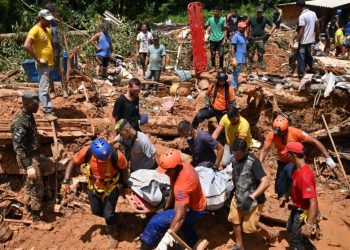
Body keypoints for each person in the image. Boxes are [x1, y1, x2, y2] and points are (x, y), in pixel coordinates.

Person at [61, 138, 128, 248]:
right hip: (93, 186)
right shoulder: (87, 151)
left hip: (111, 186)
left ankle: (114, 234)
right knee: (96, 211)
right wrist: (66, 181)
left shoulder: (117, 155)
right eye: (102, 159)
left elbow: (124, 169)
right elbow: (72, 162)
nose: (105, 160)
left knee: (108, 213)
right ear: (94, 154)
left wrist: (125, 185)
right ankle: (114, 219)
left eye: (107, 158)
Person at [140, 149, 207, 250]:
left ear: (175, 167)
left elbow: (180, 216)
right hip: (198, 203)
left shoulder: (183, 185)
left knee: (155, 222)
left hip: (194, 210)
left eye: (167, 171)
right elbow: (173, 189)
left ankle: (145, 247)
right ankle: (193, 241)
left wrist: (166, 240)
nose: (165, 173)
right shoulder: (182, 166)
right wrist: (167, 207)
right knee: (184, 224)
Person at [259, 115, 336, 199]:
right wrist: (259, 165)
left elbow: (315, 141)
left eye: (281, 133)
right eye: (277, 132)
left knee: (289, 173)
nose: (279, 135)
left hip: (293, 160)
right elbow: (264, 150)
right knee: (280, 178)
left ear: (286, 130)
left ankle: (290, 195)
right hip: (282, 159)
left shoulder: (296, 132)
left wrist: (328, 157)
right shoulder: (272, 134)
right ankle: (279, 195)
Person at [11, 90, 54, 231]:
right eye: (36, 104)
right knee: (37, 187)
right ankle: (36, 219)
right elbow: (18, 147)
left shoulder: (29, 115)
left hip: (34, 154)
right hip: (27, 158)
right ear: (28, 103)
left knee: (48, 169)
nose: (38, 107)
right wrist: (29, 166)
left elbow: (28, 133)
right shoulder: (20, 122)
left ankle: (29, 205)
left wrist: (37, 132)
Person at [228, 139, 271, 250]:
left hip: (254, 200)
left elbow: (266, 182)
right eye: (234, 154)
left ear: (245, 151)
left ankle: (269, 234)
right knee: (235, 220)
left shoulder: (253, 162)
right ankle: (239, 245)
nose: (235, 157)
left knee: (249, 229)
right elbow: (235, 172)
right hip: (239, 196)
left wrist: (252, 196)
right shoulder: (234, 158)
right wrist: (234, 187)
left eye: (238, 155)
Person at [282, 142, 319, 250]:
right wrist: (286, 196)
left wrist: (308, 224)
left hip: (303, 211)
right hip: (297, 206)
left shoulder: (305, 176)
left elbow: (313, 202)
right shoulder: (295, 168)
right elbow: (294, 184)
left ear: (293, 155)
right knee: (290, 228)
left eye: (287, 153)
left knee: (294, 240)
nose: (286, 156)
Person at [24, 9, 55, 120]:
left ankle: (42, 104)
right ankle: (47, 112)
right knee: (44, 88)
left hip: (50, 63)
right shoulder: (34, 30)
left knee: (46, 87)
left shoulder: (47, 30)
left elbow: (48, 45)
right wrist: (38, 59)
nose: (49, 21)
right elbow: (26, 45)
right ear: (41, 18)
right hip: (43, 64)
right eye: (46, 20)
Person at [247, 6, 276, 72]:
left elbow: (274, 25)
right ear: (256, 12)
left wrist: (269, 33)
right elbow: (246, 26)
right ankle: (249, 67)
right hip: (253, 39)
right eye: (258, 12)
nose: (259, 13)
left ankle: (260, 67)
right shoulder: (252, 19)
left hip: (261, 38)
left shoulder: (265, 19)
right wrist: (246, 35)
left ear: (262, 12)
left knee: (260, 53)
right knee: (251, 53)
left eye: (260, 12)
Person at [296, 0, 320, 79]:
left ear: (299, 6)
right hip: (310, 40)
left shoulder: (302, 16)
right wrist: (317, 36)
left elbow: (301, 30)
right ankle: (314, 69)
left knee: (301, 56)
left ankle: (301, 74)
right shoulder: (313, 13)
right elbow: (317, 25)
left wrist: (297, 41)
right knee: (308, 55)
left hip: (303, 41)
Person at [231, 22, 247, 89]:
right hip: (237, 57)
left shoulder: (243, 35)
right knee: (235, 72)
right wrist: (233, 58)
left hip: (242, 57)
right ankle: (233, 86)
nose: (244, 29)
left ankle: (235, 84)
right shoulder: (236, 36)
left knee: (238, 71)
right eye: (243, 28)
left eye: (245, 28)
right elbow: (232, 47)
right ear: (239, 28)